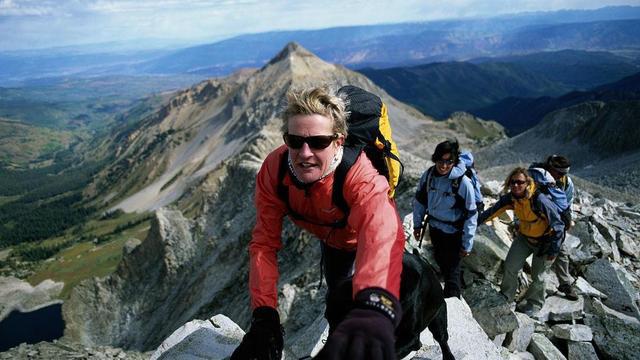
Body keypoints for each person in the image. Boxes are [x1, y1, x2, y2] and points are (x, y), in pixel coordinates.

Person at [231, 86, 453, 360]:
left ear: (339, 140)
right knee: (336, 302)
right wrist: (264, 315)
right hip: (333, 241)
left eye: (319, 142)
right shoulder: (274, 170)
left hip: (365, 244)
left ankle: (404, 340)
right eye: (294, 140)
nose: (304, 153)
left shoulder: (363, 180)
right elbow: (264, 243)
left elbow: (382, 239)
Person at [478, 167, 565, 317]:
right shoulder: (511, 198)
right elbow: (491, 213)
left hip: (545, 242)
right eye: (513, 182)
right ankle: (507, 296)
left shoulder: (539, 200)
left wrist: (553, 251)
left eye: (520, 182)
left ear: (527, 183)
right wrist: (471, 224)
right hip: (524, 238)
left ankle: (534, 305)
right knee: (511, 265)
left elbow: (559, 226)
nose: (516, 185)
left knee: (538, 277)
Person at [412, 139, 478, 299]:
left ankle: (453, 302)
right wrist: (417, 225)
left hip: (454, 233)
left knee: (452, 271)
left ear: (454, 162)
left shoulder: (463, 183)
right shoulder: (429, 175)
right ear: (435, 159)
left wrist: (467, 244)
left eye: (449, 161)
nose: (444, 165)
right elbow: (420, 201)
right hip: (434, 228)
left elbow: (471, 215)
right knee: (441, 259)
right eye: (441, 160)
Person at [543, 155, 578, 300]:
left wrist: (566, 221)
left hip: (556, 222)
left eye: (564, 173)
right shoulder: (539, 179)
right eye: (560, 173)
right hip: (536, 220)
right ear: (551, 169)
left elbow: (567, 203)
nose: (562, 176)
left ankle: (565, 283)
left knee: (561, 252)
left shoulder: (566, 182)